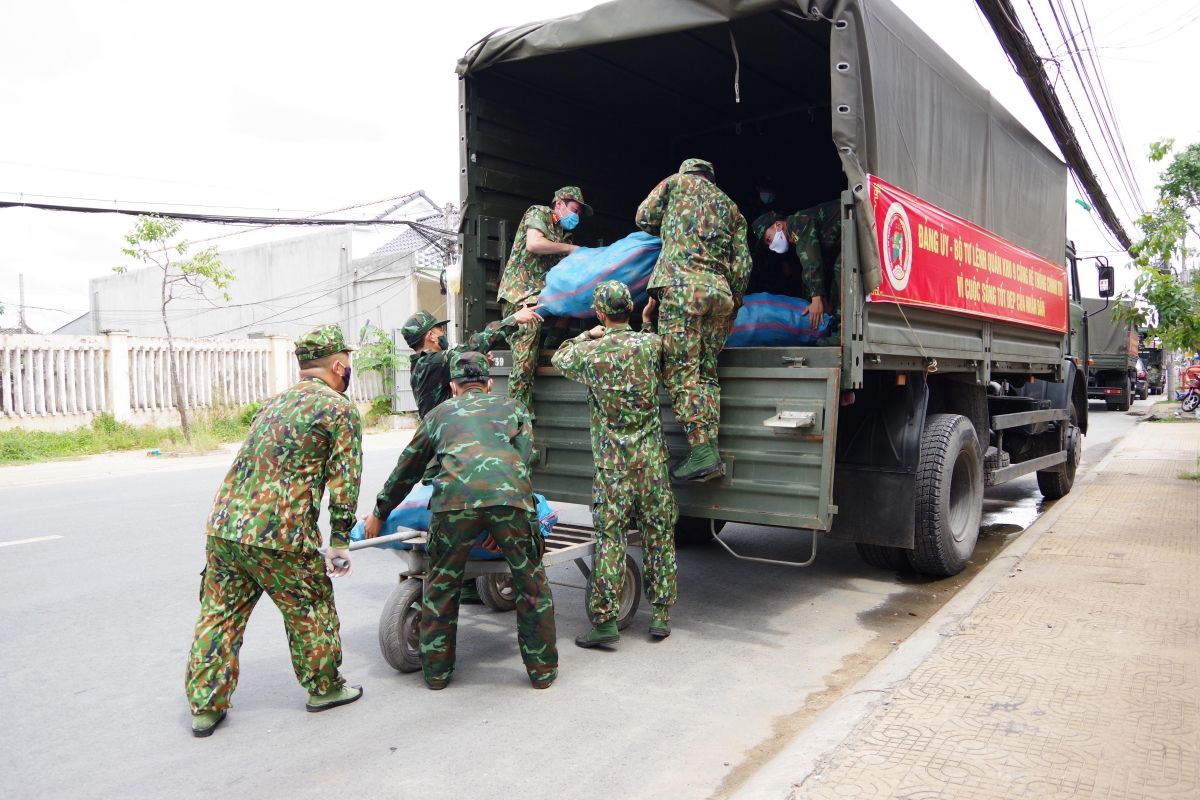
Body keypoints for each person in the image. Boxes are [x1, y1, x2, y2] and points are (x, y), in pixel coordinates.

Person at [185, 324, 364, 737]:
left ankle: (205, 707)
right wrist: (339, 542)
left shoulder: (274, 402)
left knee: (218, 617)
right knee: (310, 609)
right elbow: (344, 481)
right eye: (348, 364)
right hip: (281, 534)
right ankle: (324, 689)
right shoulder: (338, 408)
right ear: (338, 365)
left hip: (225, 528)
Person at [363, 351, 558, 690]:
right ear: (487, 383)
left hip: (453, 505)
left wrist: (380, 512)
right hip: (509, 501)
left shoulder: (438, 414)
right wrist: (508, 516)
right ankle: (542, 672)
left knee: (441, 587)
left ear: (453, 386)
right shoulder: (513, 408)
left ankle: (436, 675)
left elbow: (407, 468)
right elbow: (523, 463)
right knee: (532, 586)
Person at [552, 281, 679, 647]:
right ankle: (660, 615)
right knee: (659, 534)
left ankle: (606, 622)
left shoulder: (590, 354)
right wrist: (648, 322)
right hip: (652, 463)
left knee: (611, 538)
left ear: (601, 314)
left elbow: (560, 356)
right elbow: (655, 346)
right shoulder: (649, 345)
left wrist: (586, 336)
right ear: (629, 308)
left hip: (613, 468)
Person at [636, 158, 752, 482]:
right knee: (706, 372)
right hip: (719, 295)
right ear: (711, 178)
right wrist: (736, 305)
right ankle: (708, 450)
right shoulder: (732, 208)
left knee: (680, 372)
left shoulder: (675, 183)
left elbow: (643, 217)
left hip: (682, 289)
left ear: (688, 172)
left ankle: (701, 451)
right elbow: (743, 263)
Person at [496, 186, 591, 414]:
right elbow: (534, 244)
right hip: (520, 296)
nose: (576, 216)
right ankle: (518, 414)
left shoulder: (564, 234)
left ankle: (548, 348)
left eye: (578, 213)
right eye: (574, 210)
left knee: (573, 305)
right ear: (559, 203)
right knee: (524, 359)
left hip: (543, 296)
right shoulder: (538, 213)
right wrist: (570, 249)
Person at [401, 305, 544, 420]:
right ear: (431, 336)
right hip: (443, 437)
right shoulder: (431, 363)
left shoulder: (429, 365)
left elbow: (459, 384)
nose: (443, 333)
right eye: (440, 330)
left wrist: (480, 364)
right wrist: (514, 319)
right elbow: (473, 345)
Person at [750, 200, 842, 341]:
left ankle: (842, 332)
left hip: (858, 222)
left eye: (768, 239)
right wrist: (822, 300)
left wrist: (816, 299)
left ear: (778, 225)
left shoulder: (796, 223)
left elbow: (811, 260)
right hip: (845, 240)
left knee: (842, 269)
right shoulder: (795, 238)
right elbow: (813, 266)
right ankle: (834, 327)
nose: (770, 246)